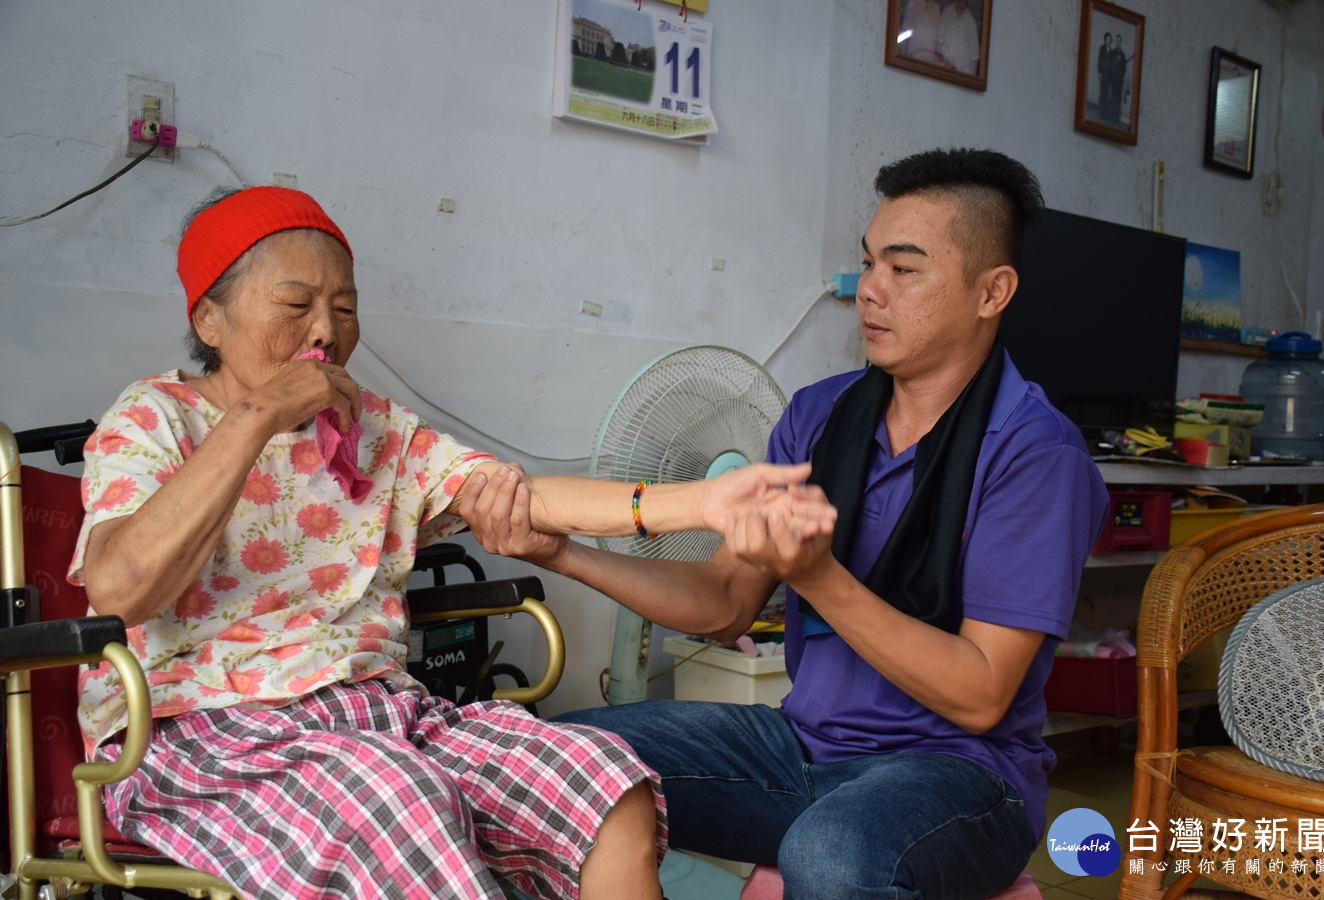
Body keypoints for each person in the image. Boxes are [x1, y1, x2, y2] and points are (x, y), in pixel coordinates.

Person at [69, 185, 832, 900]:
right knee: (397, 800)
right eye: (296, 304)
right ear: (209, 320)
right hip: (201, 736)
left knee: (604, 787)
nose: (326, 333)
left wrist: (703, 501)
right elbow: (120, 587)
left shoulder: (370, 428)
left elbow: (519, 495)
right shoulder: (153, 420)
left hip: (380, 721)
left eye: (344, 307)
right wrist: (255, 417)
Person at [459, 148, 1110, 900]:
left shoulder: (1035, 453)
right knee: (554, 760)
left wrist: (818, 578)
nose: (869, 291)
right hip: (799, 751)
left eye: (904, 270)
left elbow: (980, 694)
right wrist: (565, 554)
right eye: (867, 264)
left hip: (963, 776)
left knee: (831, 854)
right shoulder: (819, 415)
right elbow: (726, 600)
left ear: (991, 291)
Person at [936, 0, 980, 75]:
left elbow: (974, 55)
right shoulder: (947, 12)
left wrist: (971, 79)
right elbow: (939, 41)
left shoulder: (970, 22)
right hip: (945, 68)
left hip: (962, 72)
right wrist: (940, 62)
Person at [899, 0, 943, 65]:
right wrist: (901, 57)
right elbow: (905, 31)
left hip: (931, 59)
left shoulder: (936, 7)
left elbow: (938, 35)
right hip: (913, 56)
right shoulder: (913, 3)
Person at [1097, 33, 1114, 120]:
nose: (1108, 41)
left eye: (1110, 40)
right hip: (1103, 75)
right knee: (1102, 94)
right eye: (1107, 39)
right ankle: (1100, 113)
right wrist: (1099, 72)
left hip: (1109, 77)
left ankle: (1104, 113)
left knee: (1106, 95)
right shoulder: (1102, 49)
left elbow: (1112, 65)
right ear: (1105, 40)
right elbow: (1099, 61)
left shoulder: (1111, 52)